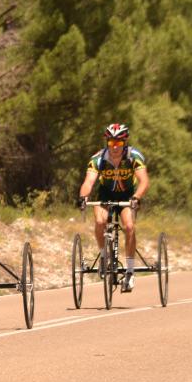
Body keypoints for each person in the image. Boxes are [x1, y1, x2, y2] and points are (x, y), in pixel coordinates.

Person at [78, 123, 149, 292]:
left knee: (130, 226)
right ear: (107, 143)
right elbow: (88, 182)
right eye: (111, 143)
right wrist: (83, 198)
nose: (115, 147)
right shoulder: (98, 159)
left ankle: (130, 272)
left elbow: (144, 181)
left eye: (118, 143)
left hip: (127, 197)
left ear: (125, 142)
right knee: (100, 221)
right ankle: (104, 257)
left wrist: (136, 197)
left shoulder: (134, 156)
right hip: (105, 195)